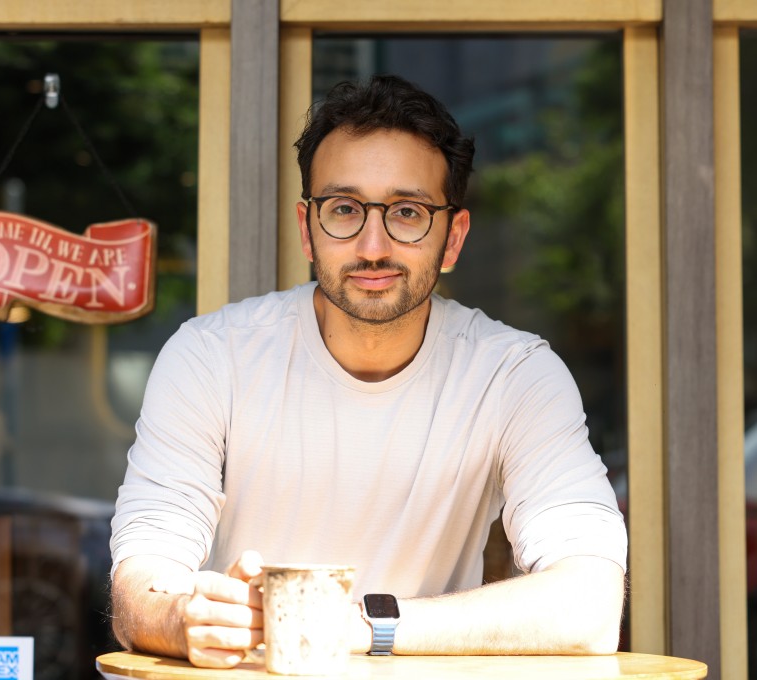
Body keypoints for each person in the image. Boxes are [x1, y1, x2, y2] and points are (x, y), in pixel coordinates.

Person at [108, 75, 627, 668]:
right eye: (345, 209)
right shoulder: (210, 357)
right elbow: (142, 581)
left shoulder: (514, 375)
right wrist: (180, 617)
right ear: (307, 228)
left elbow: (588, 604)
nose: (373, 245)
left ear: (452, 238)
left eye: (407, 211)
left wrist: (358, 626)